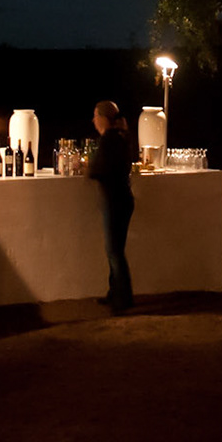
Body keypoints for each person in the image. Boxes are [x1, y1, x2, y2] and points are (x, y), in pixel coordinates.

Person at [87, 100, 135, 312]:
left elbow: (98, 170)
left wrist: (88, 168)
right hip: (124, 198)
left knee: (114, 251)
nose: (93, 120)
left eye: (96, 116)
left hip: (114, 200)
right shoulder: (122, 136)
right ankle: (115, 293)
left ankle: (122, 299)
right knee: (116, 250)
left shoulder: (109, 140)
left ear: (104, 119)